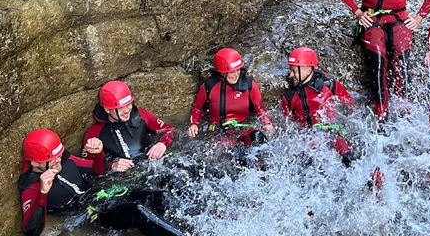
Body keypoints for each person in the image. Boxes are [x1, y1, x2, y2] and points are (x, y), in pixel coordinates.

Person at [19, 129, 183, 236]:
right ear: (35, 163)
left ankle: (188, 225)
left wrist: (98, 154)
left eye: (58, 155)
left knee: (161, 197)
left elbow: (98, 169)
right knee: (136, 212)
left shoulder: (66, 160)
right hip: (91, 213)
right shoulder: (32, 188)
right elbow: (32, 230)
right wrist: (43, 193)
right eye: (52, 159)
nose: (57, 161)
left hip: (104, 195)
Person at [281, 46, 356, 165]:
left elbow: (351, 108)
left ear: (307, 69)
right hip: (307, 137)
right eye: (291, 70)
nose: (291, 75)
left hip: (332, 133)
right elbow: (288, 126)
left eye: (294, 71)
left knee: (347, 154)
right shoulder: (289, 97)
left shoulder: (331, 86)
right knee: (313, 160)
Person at [188, 47, 274, 146]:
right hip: (219, 131)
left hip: (243, 128)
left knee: (258, 138)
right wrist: (193, 124)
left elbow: (260, 108)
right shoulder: (209, 87)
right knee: (223, 151)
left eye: (238, 70)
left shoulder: (249, 84)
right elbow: (197, 108)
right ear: (222, 73)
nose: (236, 75)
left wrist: (267, 123)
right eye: (232, 72)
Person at [83, 80, 174, 171]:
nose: (126, 110)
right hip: (127, 178)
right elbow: (90, 168)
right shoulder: (94, 134)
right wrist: (112, 166)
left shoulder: (143, 115)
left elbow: (169, 130)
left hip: (154, 166)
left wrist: (162, 143)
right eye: (121, 107)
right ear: (107, 109)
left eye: (128, 104)